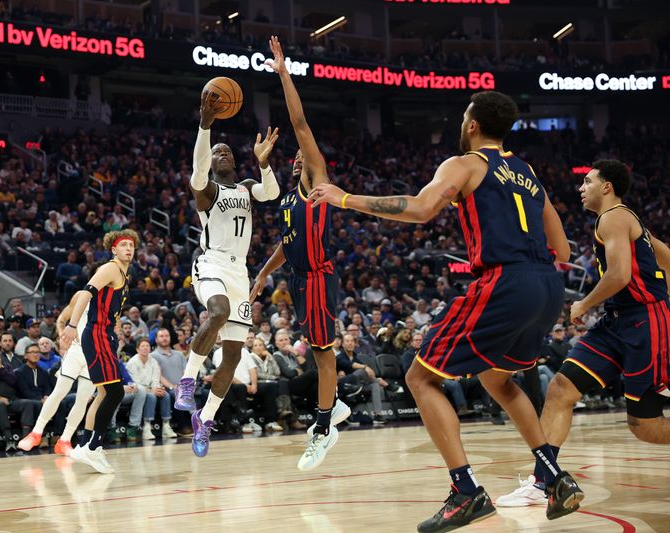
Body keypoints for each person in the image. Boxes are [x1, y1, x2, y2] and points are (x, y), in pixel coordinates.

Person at [311, 90, 583, 531]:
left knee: (420, 377)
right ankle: (553, 476)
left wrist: (344, 198)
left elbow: (419, 208)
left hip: (505, 281)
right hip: (548, 285)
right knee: (497, 377)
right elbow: (564, 248)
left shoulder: (464, 164)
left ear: (472, 124)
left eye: (463, 117)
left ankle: (466, 491)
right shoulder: (529, 172)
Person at [497, 159, 670, 508]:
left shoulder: (615, 217)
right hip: (618, 322)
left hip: (645, 323)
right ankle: (543, 480)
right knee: (561, 388)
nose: (581, 187)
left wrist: (584, 304)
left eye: (588, 181)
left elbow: (620, 274)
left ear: (607, 186)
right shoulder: (624, 220)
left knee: (643, 426)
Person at [251, 36, 350, 471]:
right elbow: (284, 245)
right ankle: (337, 408)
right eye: (292, 157)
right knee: (317, 353)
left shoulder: (316, 188)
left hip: (318, 277)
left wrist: (283, 72)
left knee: (324, 355)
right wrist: (262, 275)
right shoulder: (291, 200)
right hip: (297, 279)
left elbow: (300, 125)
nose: (296, 158)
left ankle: (325, 427)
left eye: (301, 156)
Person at [171, 89, 281, 459]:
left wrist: (263, 162)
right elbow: (198, 168)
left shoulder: (247, 188)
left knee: (233, 355)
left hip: (239, 273)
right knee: (216, 313)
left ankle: (206, 418)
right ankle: (186, 381)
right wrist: (205, 126)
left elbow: (273, 192)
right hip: (211, 263)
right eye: (216, 152)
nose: (222, 155)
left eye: (226, 152)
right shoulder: (207, 191)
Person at [59, 230, 138, 474]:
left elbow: (108, 304)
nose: (128, 248)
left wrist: (115, 324)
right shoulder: (111, 268)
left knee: (105, 393)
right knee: (115, 392)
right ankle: (93, 446)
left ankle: (87, 444)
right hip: (96, 334)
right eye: (123, 245)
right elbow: (85, 293)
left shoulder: (124, 273)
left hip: (106, 334)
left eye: (131, 245)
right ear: (113, 249)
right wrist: (72, 325)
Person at [18, 285, 101, 456]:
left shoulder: (113, 301)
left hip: (95, 355)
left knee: (83, 400)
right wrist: (63, 337)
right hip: (77, 351)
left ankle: (64, 440)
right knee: (59, 392)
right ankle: (36, 432)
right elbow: (62, 319)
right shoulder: (82, 294)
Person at [122, 337, 172, 441]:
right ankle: (147, 427)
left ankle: (166, 426)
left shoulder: (153, 361)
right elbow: (135, 384)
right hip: (138, 391)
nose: (145, 348)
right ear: (137, 349)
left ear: (150, 348)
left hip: (151, 388)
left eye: (147, 346)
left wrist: (157, 388)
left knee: (165, 394)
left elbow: (155, 378)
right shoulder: (132, 362)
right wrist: (151, 390)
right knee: (151, 396)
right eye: (142, 346)